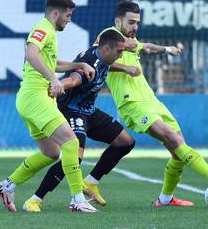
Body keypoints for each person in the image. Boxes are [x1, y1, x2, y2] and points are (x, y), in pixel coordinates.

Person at [93, 1, 208, 207]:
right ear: (118, 21)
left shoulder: (131, 39)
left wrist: (167, 48)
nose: (135, 27)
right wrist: (124, 68)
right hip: (132, 103)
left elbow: (147, 48)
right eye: (130, 22)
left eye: (137, 23)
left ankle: (165, 199)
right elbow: (95, 58)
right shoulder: (108, 36)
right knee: (170, 137)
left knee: (179, 149)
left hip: (151, 100)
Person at [0, 0, 98, 213]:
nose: (69, 19)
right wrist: (52, 79)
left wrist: (78, 66)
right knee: (71, 143)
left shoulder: (49, 31)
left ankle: (7, 186)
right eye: (68, 15)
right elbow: (31, 54)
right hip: (35, 97)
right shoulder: (43, 28)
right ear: (56, 12)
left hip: (32, 99)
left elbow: (49, 62)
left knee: (51, 152)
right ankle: (77, 199)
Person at [22, 30, 135, 212]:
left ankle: (90, 182)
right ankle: (35, 199)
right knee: (75, 156)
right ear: (106, 48)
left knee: (126, 142)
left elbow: (106, 65)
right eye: (119, 52)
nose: (121, 55)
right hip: (72, 111)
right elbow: (74, 79)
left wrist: (124, 68)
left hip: (89, 111)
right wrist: (59, 86)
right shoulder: (89, 63)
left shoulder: (104, 57)